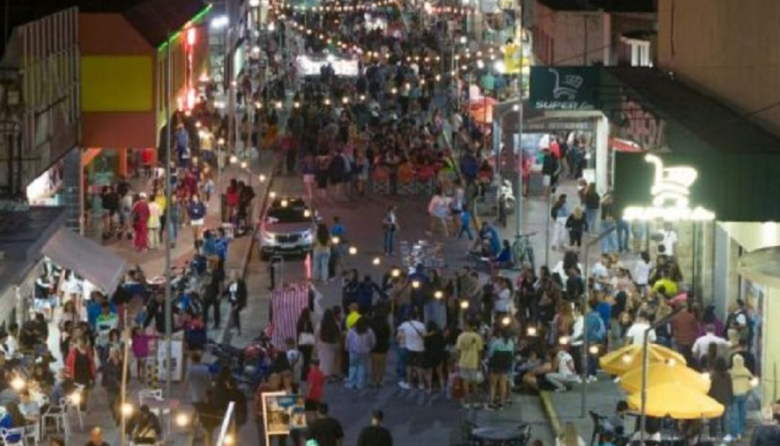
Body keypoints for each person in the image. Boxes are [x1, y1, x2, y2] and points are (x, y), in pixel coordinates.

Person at [456, 319, 484, 408]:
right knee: (474, 383)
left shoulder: (461, 336)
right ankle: (475, 402)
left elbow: (458, 350)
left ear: (469, 326)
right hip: (474, 362)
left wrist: (458, 361)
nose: (464, 327)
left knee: (465, 383)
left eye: (465, 325)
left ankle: (467, 402)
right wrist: (479, 363)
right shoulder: (477, 337)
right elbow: (480, 351)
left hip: (463, 362)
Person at [727, 354, 754, 441]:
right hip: (744, 393)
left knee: (735, 414)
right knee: (742, 412)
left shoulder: (731, 372)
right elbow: (752, 379)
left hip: (734, 394)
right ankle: (741, 430)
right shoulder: (746, 370)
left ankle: (736, 433)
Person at [397, 311, 426, 390]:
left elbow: (399, 334)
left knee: (409, 366)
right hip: (420, 348)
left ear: (409, 317)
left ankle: (409, 383)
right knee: (419, 367)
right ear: (417, 317)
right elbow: (424, 336)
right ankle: (421, 383)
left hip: (409, 348)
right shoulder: (422, 325)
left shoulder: (405, 324)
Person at [487, 328, 514, 410]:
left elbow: (491, 354)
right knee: (503, 384)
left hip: (496, 365)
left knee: (493, 385)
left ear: (500, 334)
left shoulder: (496, 342)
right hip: (505, 365)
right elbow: (512, 354)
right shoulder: (511, 343)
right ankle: (502, 402)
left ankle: (491, 402)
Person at [225, 271, 247, 336]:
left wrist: (239, 303)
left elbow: (243, 293)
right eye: (233, 276)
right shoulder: (231, 283)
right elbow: (228, 292)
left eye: (235, 275)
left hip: (238, 302)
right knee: (233, 314)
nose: (233, 277)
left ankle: (237, 329)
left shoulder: (240, 283)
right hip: (233, 301)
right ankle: (235, 328)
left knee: (235, 314)